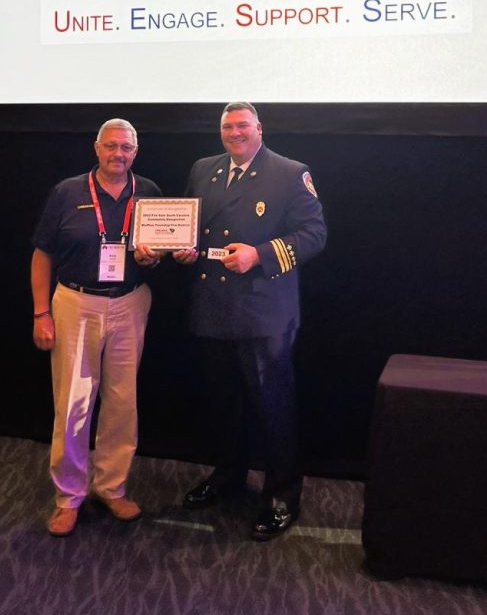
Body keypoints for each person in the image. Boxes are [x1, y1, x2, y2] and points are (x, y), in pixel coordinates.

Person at [173, 102, 326, 540]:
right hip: (213, 307)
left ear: (259, 128)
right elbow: (194, 227)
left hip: (264, 312)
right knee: (223, 404)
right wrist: (184, 248)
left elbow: (315, 234)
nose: (235, 132)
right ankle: (228, 476)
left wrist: (259, 255)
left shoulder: (290, 171)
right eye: (227, 126)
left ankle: (282, 494)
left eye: (243, 125)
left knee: (272, 409)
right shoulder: (205, 169)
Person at [30, 118, 162, 537]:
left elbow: (155, 254)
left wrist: (152, 258)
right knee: (73, 402)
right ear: (96, 148)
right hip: (75, 302)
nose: (117, 154)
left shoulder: (151, 194)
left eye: (126, 148)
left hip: (130, 303)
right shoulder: (67, 192)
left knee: (123, 400)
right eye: (111, 146)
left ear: (135, 153)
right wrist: (40, 313)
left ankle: (112, 486)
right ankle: (69, 496)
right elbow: (42, 254)